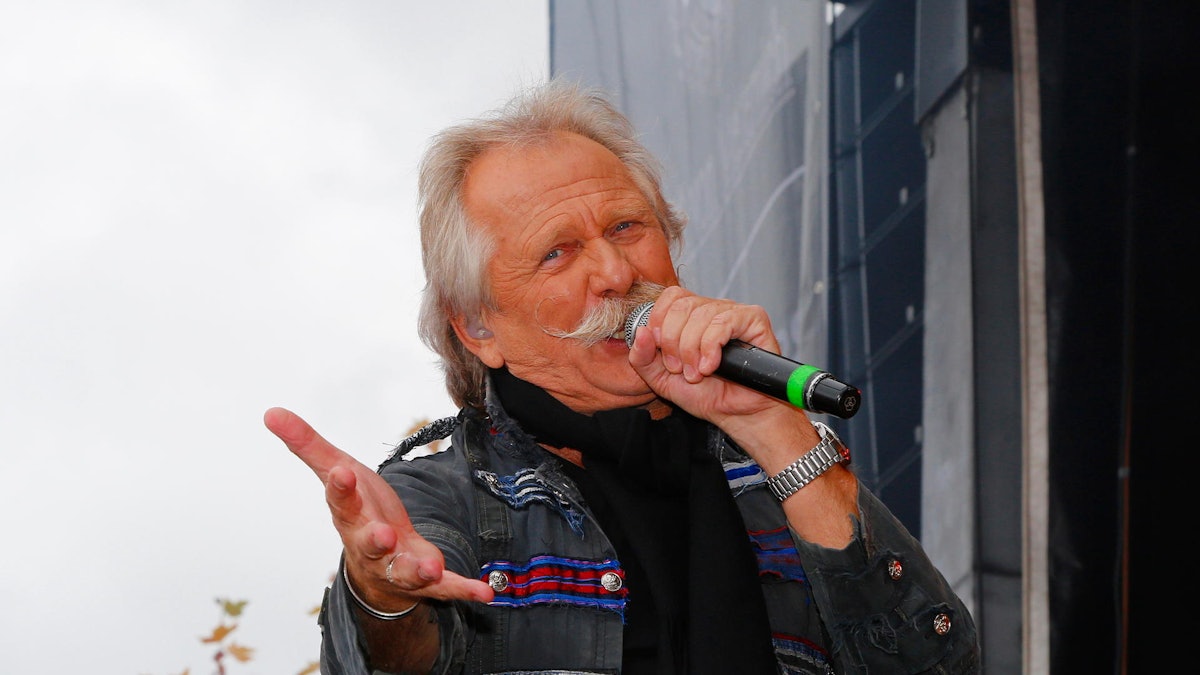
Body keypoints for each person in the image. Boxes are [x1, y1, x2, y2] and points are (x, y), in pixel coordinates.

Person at [265, 78, 980, 675]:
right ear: (478, 327)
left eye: (628, 228)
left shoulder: (774, 472)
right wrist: (384, 598)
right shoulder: (442, 496)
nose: (614, 274)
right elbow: (392, 651)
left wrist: (779, 431)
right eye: (558, 253)